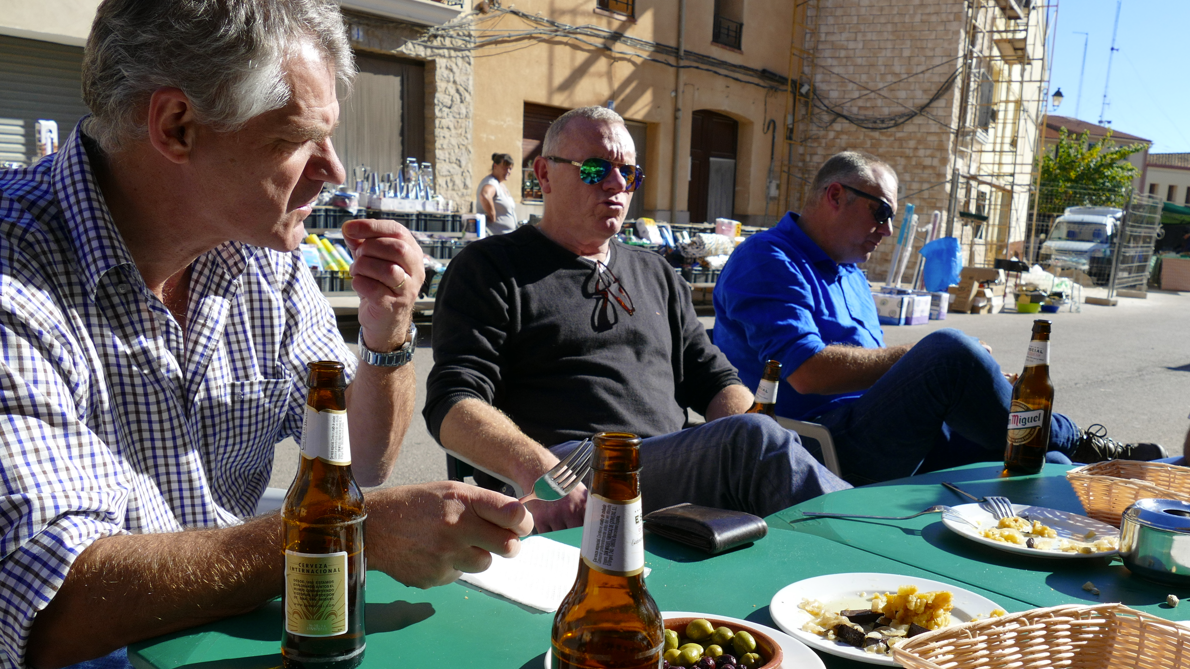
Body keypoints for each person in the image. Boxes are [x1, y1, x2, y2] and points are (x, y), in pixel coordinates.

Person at [0, 0, 532, 669]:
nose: (336, 173)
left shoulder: (260, 259)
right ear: (176, 126)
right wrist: (345, 541)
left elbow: (363, 464)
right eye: (298, 140)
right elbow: (52, 611)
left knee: (468, 668)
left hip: (206, 615)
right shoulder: (0, 268)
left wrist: (385, 337)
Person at [424, 107, 847, 534]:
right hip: (570, 471)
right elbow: (452, 403)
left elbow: (714, 378)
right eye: (595, 169)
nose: (616, 184)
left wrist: (750, 422)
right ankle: (874, 548)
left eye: (629, 173)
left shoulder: (657, 272)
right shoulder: (491, 268)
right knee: (753, 444)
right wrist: (542, 471)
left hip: (664, 466)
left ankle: (856, 561)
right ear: (544, 174)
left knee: (759, 433)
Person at [712, 150, 1166, 486]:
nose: (888, 230)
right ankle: (1084, 442)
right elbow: (807, 373)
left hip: (884, 426)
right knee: (949, 351)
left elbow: (870, 367)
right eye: (882, 212)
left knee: (1048, 470)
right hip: (817, 447)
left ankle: (1087, 471)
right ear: (835, 195)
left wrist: (978, 384)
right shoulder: (768, 260)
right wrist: (920, 362)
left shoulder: (848, 271)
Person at [476, 152, 517, 236]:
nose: (508, 171)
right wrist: (492, 215)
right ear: (495, 166)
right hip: (496, 238)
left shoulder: (500, 184)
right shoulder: (491, 183)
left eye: (510, 169)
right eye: (505, 168)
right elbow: (485, 195)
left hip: (506, 236)